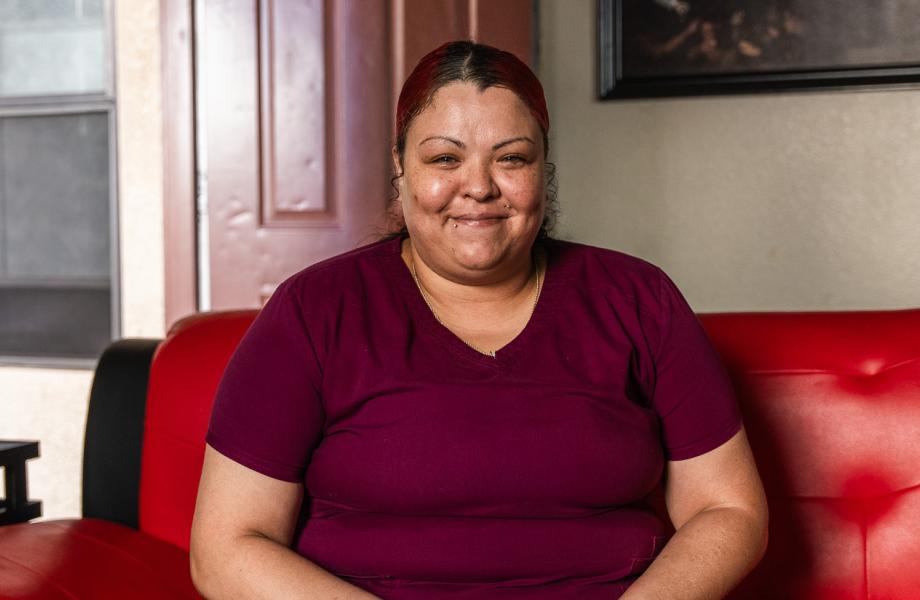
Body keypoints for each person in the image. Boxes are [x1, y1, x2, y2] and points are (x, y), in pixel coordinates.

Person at [190, 40, 768, 599]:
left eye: (512, 158)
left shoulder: (640, 300)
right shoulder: (312, 312)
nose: (479, 187)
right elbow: (227, 547)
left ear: (544, 168)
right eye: (445, 158)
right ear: (400, 168)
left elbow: (728, 508)